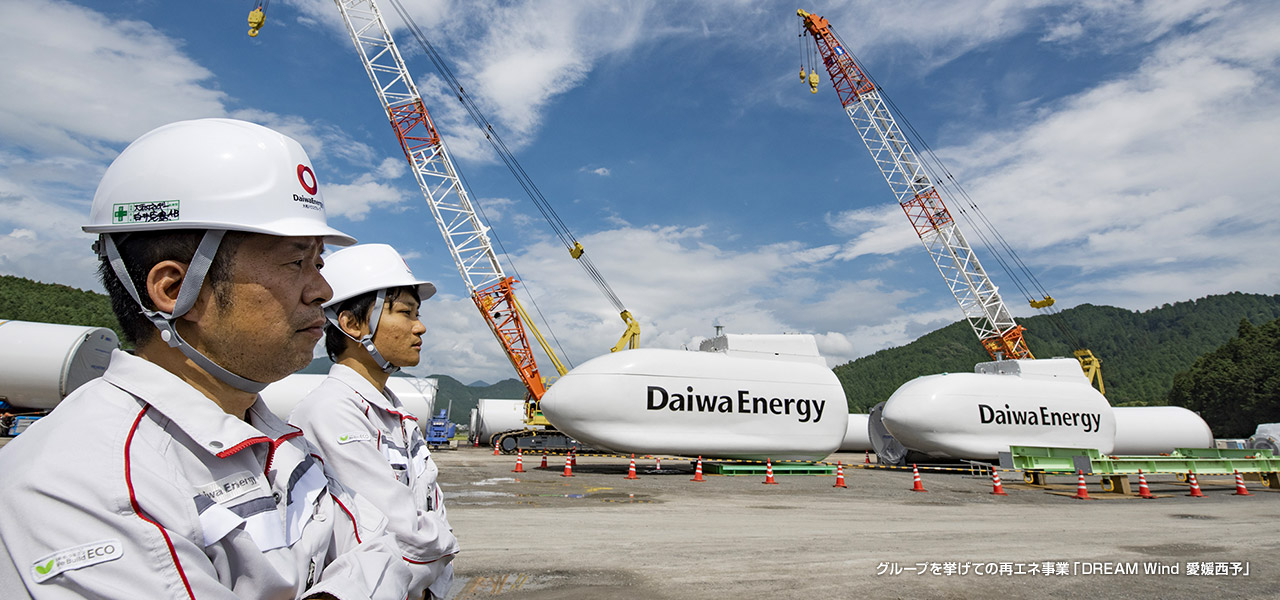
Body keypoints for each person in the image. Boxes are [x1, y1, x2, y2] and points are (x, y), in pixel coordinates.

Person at [0, 118, 412, 599]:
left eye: (319, 264)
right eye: (296, 262)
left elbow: (386, 547)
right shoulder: (87, 483)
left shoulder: (276, 438)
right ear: (177, 290)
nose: (321, 291)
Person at [290, 244, 460, 600]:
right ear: (352, 324)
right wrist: (441, 545)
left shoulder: (398, 417)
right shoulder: (330, 411)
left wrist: (434, 569)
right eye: (405, 312)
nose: (420, 327)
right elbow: (399, 535)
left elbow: (433, 516)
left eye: (417, 313)